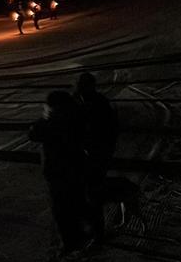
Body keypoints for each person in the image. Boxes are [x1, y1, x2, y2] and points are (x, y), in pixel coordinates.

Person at [29, 91, 87, 255]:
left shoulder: (53, 123)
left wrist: (46, 116)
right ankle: (80, 234)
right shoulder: (76, 116)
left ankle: (70, 242)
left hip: (58, 171)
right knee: (75, 202)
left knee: (62, 209)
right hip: (75, 167)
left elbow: (33, 133)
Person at [76, 73, 118, 244]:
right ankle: (91, 229)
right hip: (83, 156)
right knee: (85, 194)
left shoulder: (98, 103)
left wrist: (104, 153)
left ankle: (97, 233)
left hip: (95, 155)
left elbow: (110, 130)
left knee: (93, 194)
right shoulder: (79, 102)